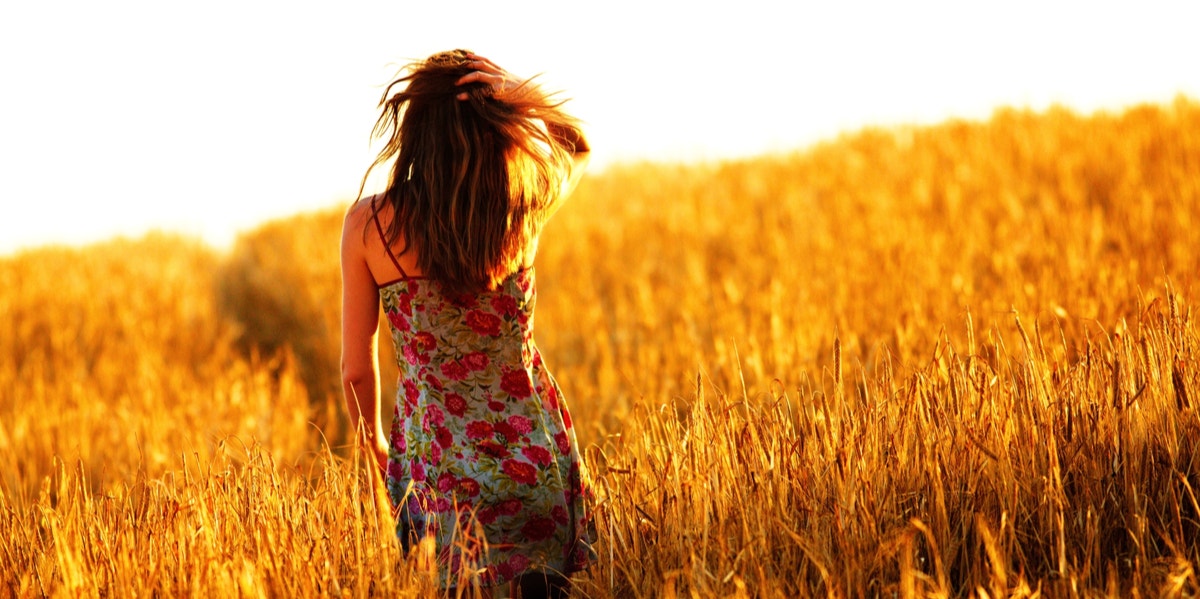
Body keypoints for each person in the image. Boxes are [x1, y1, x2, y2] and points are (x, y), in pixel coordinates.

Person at [339, 49, 594, 597]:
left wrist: (375, 446)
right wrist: (520, 91)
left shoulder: (368, 227)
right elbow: (578, 146)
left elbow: (355, 371)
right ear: (495, 127)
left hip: (441, 484)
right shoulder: (521, 209)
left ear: (415, 132)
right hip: (537, 465)